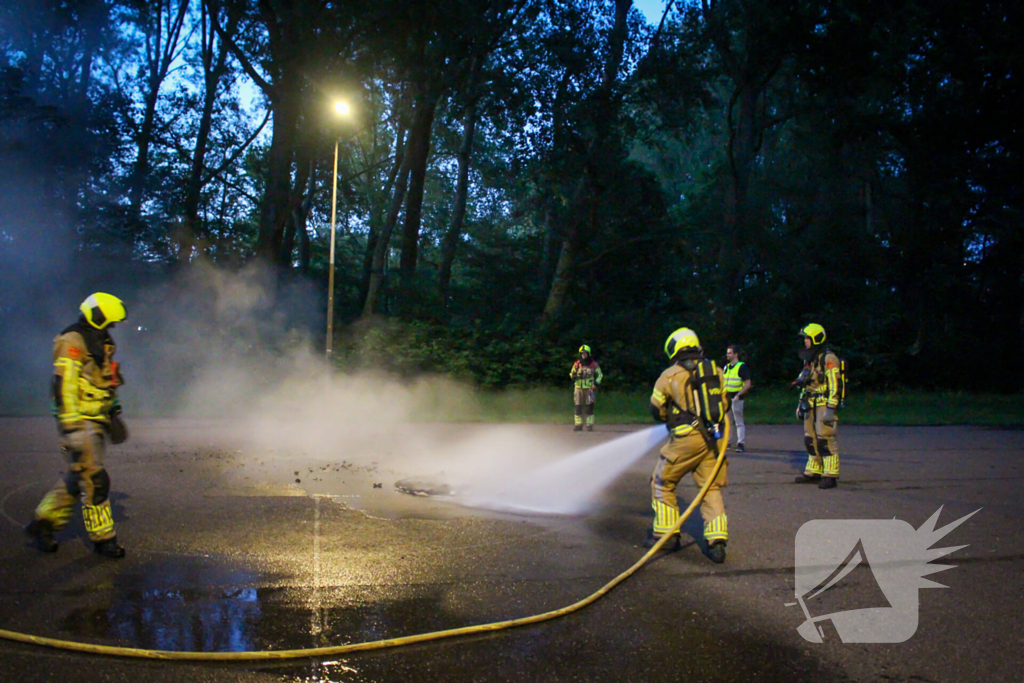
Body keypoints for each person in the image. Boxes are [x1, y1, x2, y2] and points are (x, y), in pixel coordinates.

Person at [24, 293, 129, 558]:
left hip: (94, 419)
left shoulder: (101, 341)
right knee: (96, 480)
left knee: (77, 477)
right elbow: (64, 388)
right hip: (78, 422)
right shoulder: (72, 340)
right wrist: (71, 429)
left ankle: (43, 524)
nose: (112, 327)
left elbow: (104, 380)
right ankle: (104, 539)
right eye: (110, 321)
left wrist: (113, 411)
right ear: (99, 315)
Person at [646, 328, 729, 563]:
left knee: (662, 482)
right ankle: (717, 541)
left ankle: (666, 535)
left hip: (686, 439)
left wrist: (668, 416)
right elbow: (724, 404)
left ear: (673, 349)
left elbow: (656, 408)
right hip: (714, 439)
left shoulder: (670, 375)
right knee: (710, 487)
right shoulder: (714, 371)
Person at [793, 323, 842, 490]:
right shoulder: (810, 359)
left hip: (823, 403)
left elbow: (835, 384)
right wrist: (801, 403)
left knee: (825, 438)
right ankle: (814, 470)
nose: (805, 341)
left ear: (816, 339)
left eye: (807, 338)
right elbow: (806, 384)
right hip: (810, 403)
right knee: (810, 439)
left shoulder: (829, 359)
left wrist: (831, 408)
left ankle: (830, 474)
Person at [724, 344, 752, 452]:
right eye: (727, 353)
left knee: (738, 421)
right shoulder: (726, 367)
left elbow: (747, 383)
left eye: (730, 353)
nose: (727, 355)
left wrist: (739, 394)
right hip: (727, 398)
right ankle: (728, 442)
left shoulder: (741, 367)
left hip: (737, 398)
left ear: (736, 354)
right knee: (728, 422)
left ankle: (741, 443)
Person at [570, 344, 603, 431]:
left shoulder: (593, 364)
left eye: (585, 353)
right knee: (578, 406)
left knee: (589, 407)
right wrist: (574, 375)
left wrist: (596, 383)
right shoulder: (577, 364)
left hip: (589, 388)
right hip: (578, 388)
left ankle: (589, 425)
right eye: (582, 353)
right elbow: (571, 374)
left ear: (589, 354)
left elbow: (600, 374)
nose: (583, 355)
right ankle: (578, 425)